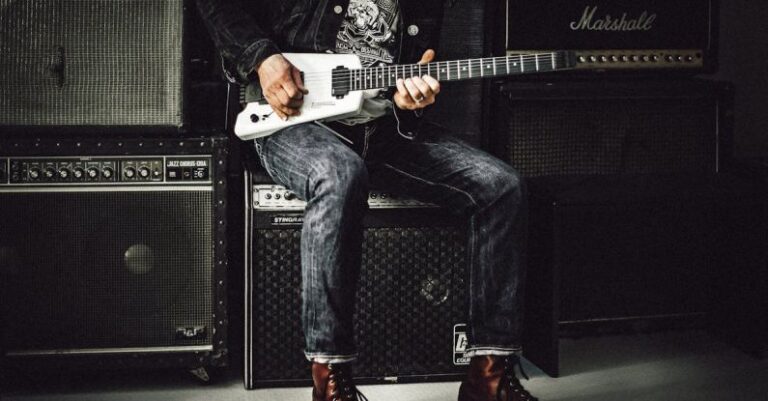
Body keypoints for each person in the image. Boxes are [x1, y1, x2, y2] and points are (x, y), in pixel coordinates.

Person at [197, 1, 538, 400]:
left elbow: (410, 84)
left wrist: (412, 103)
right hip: (291, 121)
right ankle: (331, 379)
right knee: (339, 173)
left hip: (381, 128)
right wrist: (263, 58)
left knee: (501, 186)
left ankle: (489, 378)